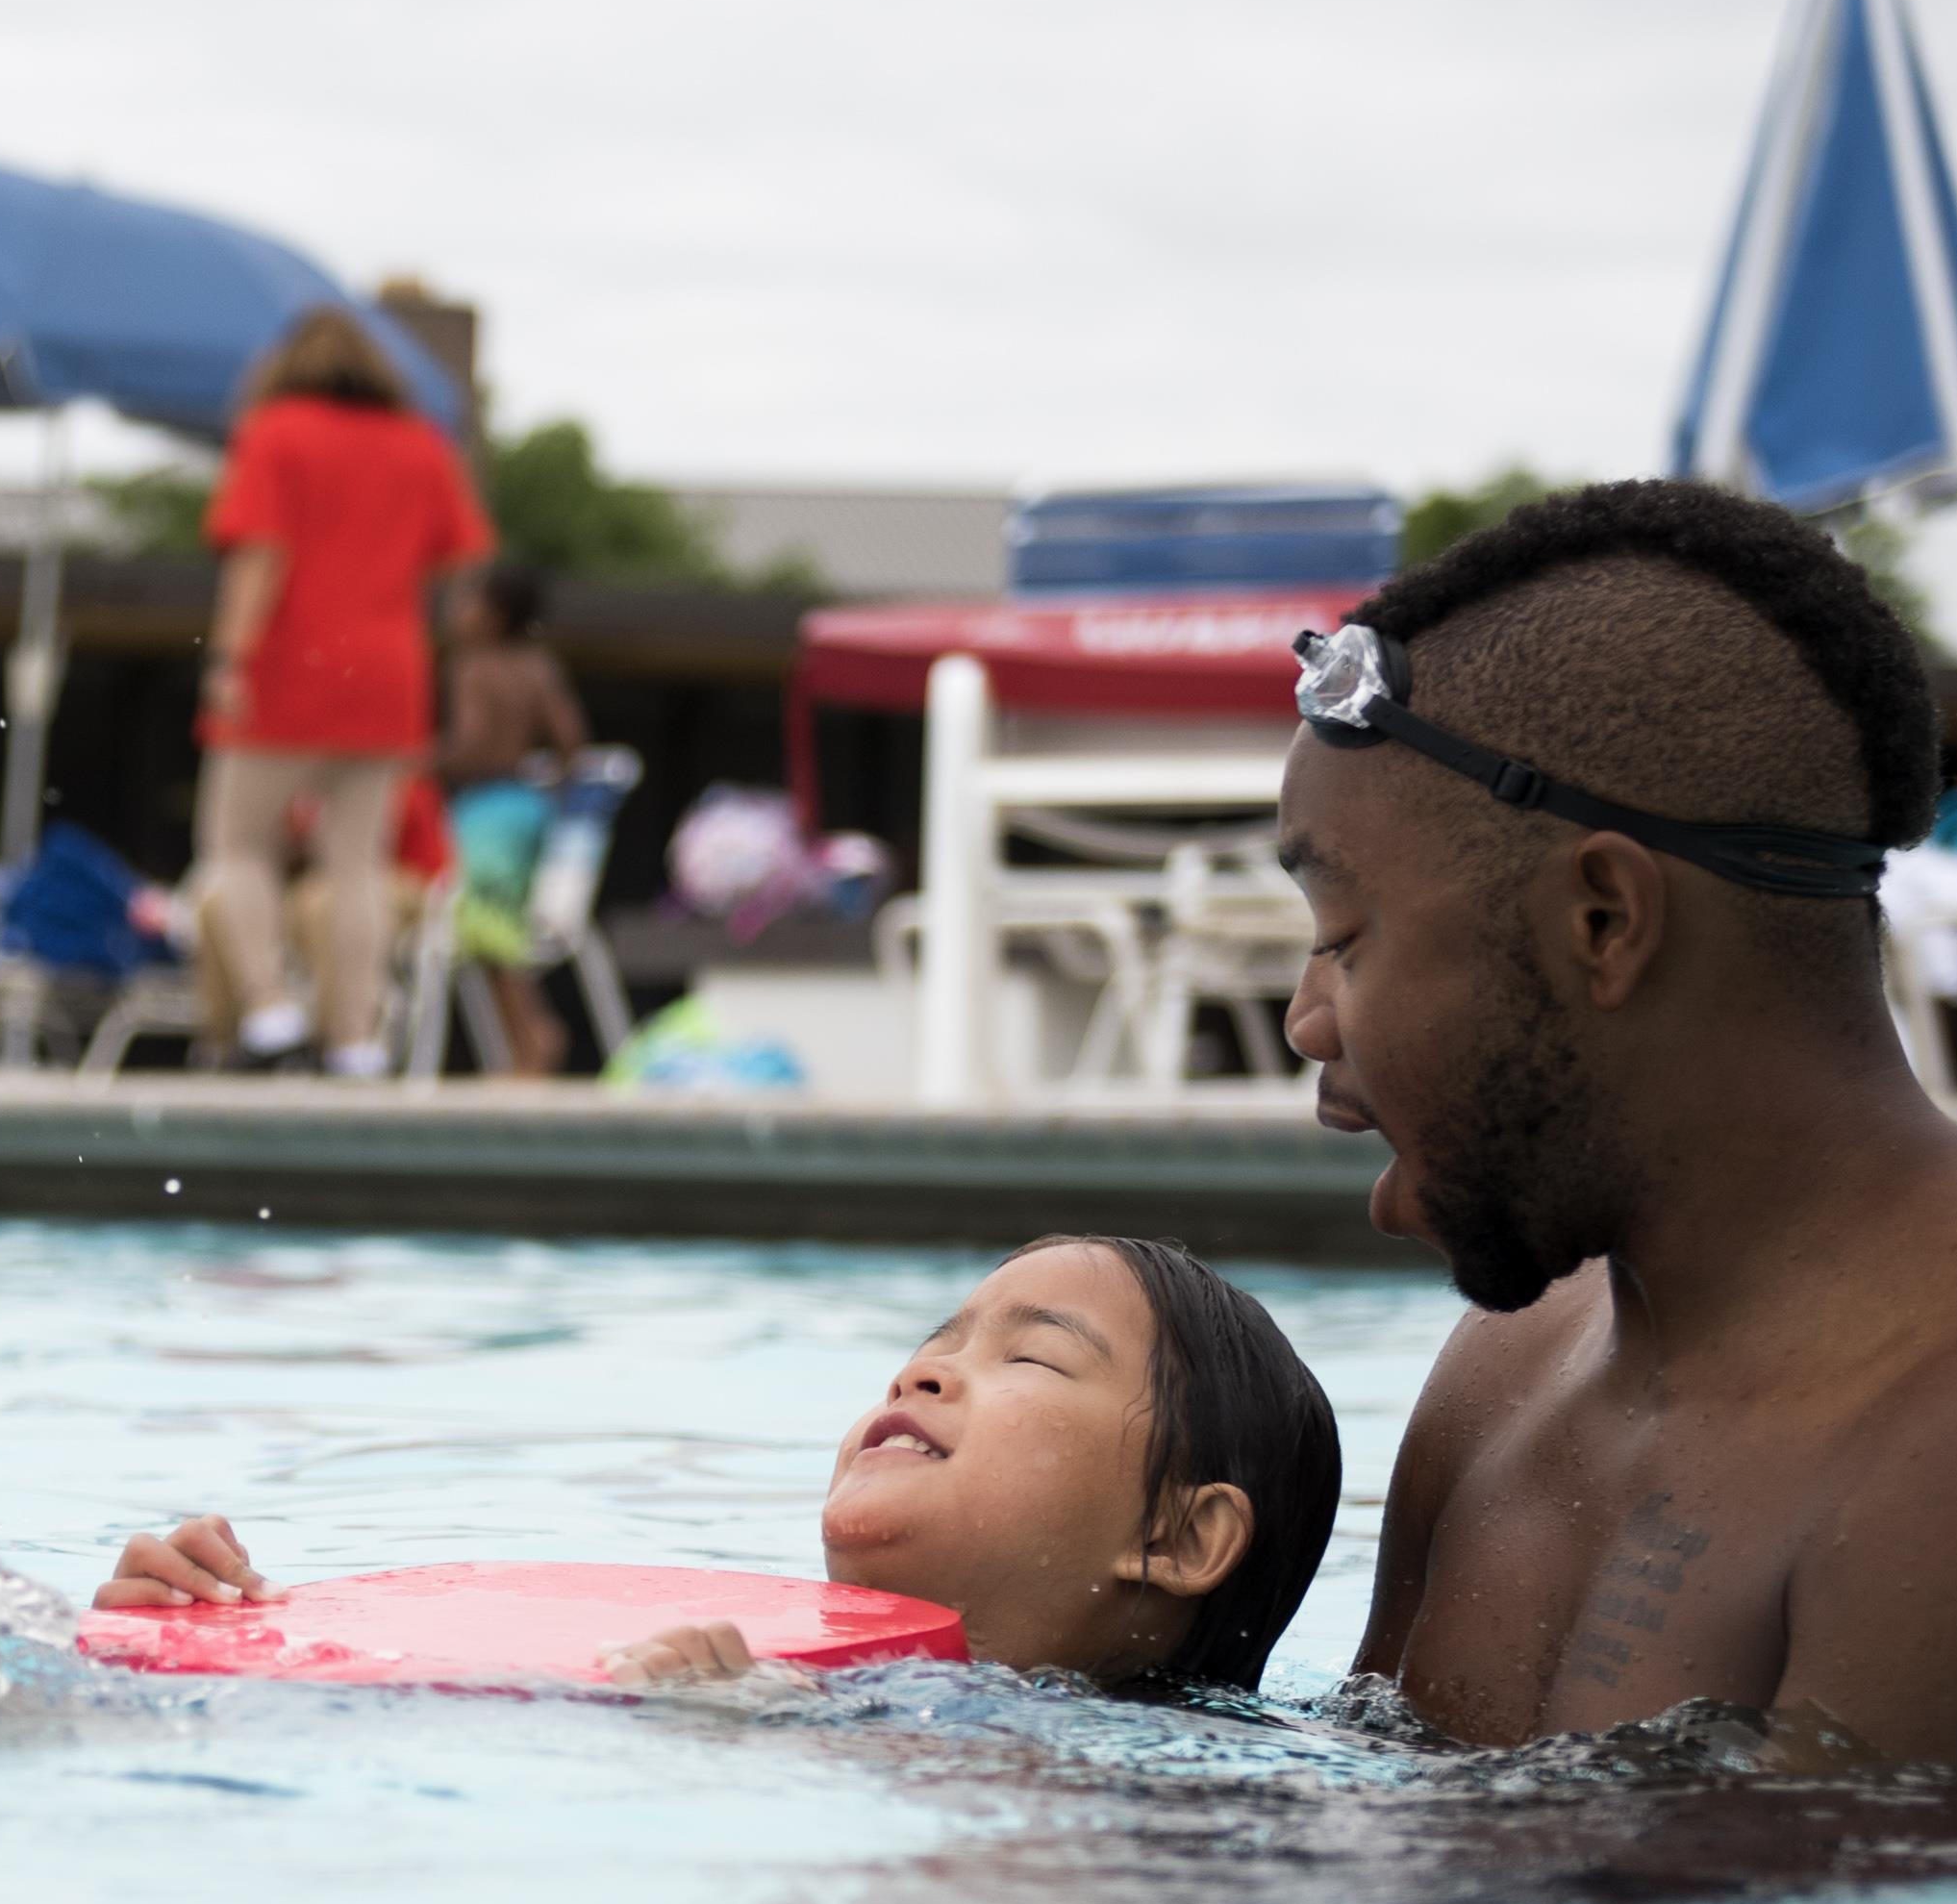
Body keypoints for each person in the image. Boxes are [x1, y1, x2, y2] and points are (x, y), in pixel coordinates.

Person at [1273, 479, 1957, 1767]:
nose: (1304, 1022)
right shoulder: (1513, 1368)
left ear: (1600, 920)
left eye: (1343, 939)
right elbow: (1366, 1823)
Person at [98, 1237, 1343, 1697]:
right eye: (931, 1342)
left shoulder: (1165, 1818)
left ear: (1178, 1540)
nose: (921, 1375)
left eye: (1033, 1359)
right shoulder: (781, 1681)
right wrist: (238, 1648)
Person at [186, 306, 492, 1076]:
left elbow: (260, 555)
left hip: (289, 666)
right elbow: (454, 564)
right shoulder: (420, 444)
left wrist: (228, 656)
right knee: (358, 864)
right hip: (388, 674)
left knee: (235, 846)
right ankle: (355, 1038)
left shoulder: (276, 432)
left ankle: (268, 1011)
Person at [435, 563, 590, 1077]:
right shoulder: (537, 665)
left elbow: (474, 744)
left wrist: (423, 761)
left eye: (466, 601)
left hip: (485, 813)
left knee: (490, 935)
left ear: (493, 616)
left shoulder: (472, 667)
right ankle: (523, 1043)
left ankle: (534, 1038)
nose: (454, 613)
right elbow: (570, 738)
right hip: (528, 807)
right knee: (497, 934)